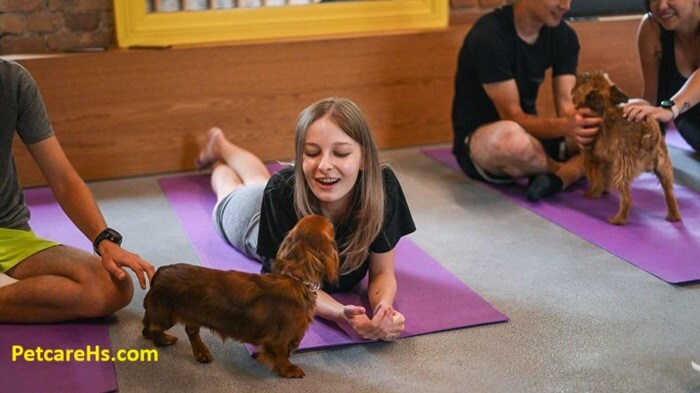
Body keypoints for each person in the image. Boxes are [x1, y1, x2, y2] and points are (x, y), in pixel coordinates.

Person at [197, 97, 416, 341]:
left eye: (341, 153)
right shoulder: (280, 191)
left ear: (364, 158)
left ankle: (220, 144)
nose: (324, 165)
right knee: (229, 186)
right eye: (311, 153)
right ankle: (218, 160)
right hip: (252, 218)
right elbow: (291, 284)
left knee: (258, 178)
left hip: (282, 191)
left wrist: (384, 310)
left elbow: (383, 272)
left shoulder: (382, 188)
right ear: (299, 158)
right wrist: (343, 314)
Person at [0, 58, 154, 323]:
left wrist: (105, 241)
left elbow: (63, 178)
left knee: (113, 287)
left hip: (8, 236)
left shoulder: (13, 80)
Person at [451, 0, 602, 201]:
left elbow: (567, 106)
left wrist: (581, 124)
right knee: (514, 142)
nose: (566, 6)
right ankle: (566, 173)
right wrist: (567, 128)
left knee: (600, 132)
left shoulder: (564, 36)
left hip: (532, 135)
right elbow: (513, 117)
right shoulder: (489, 37)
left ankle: (551, 174)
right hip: (484, 140)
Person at [623, 0, 700, 152]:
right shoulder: (652, 28)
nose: (661, 6)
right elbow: (652, 99)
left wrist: (671, 108)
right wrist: (634, 112)